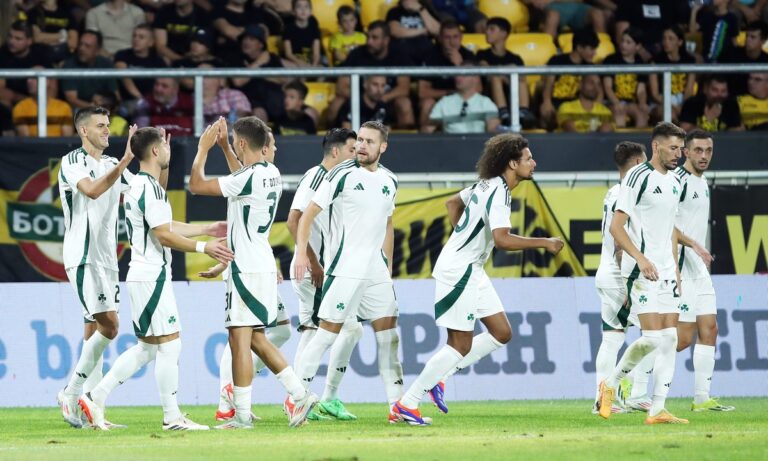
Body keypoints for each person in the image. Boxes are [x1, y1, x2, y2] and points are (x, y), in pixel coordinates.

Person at [391, 134, 564, 426]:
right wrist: (544, 242)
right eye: (528, 158)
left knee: (501, 333)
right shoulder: (499, 192)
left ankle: (439, 378)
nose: (534, 163)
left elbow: (451, 204)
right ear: (512, 163)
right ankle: (407, 403)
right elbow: (502, 239)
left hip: (471, 268)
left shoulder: (486, 184)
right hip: (460, 269)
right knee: (459, 344)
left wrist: (463, 237)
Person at [78, 127, 233, 431]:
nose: (168, 149)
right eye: (164, 145)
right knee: (170, 345)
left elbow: (164, 224)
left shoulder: (141, 184)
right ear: (155, 151)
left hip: (144, 275)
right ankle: (171, 417)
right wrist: (204, 247)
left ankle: (95, 396)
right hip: (152, 276)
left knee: (148, 348)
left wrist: (204, 229)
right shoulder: (147, 188)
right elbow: (163, 235)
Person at [189, 117, 318, 429]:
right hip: (261, 262)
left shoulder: (248, 177)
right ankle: (298, 395)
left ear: (243, 143)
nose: (233, 144)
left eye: (235, 141)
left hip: (245, 267)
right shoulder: (270, 172)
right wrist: (224, 146)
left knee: (239, 338)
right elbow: (241, 175)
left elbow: (196, 185)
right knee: (256, 338)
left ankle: (244, 415)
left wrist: (203, 149)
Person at [597, 122, 712, 424]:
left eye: (680, 148)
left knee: (670, 339)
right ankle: (610, 384)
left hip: (667, 271)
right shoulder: (638, 176)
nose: (679, 154)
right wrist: (641, 259)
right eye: (673, 148)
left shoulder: (675, 181)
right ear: (656, 146)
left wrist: (675, 268)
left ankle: (657, 409)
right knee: (651, 339)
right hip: (640, 270)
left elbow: (669, 230)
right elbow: (617, 228)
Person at [293, 121, 405, 419]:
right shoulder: (341, 174)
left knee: (389, 336)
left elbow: (388, 223)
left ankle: (398, 407)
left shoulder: (390, 180)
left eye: (369, 141)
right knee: (325, 335)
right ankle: (297, 398)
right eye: (360, 141)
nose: (361, 146)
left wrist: (387, 265)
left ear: (383, 146)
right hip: (344, 268)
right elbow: (307, 215)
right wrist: (301, 253)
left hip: (375, 271)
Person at [56, 107, 136, 428]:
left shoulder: (112, 163)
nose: (107, 130)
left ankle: (92, 411)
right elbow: (91, 190)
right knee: (110, 326)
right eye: (100, 126)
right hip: (83, 255)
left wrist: (160, 161)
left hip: (107, 260)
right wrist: (125, 161)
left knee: (94, 330)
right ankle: (72, 392)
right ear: (83, 131)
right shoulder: (72, 161)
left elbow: (144, 191)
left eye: (108, 125)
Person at [287, 128, 363, 421]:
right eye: (351, 150)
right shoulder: (318, 177)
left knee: (313, 331)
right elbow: (294, 220)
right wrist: (313, 261)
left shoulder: (336, 178)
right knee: (345, 329)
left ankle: (301, 398)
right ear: (335, 152)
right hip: (315, 269)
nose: (356, 154)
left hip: (319, 267)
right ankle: (312, 398)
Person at [674, 129, 735, 412]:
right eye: (698, 150)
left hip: (699, 268)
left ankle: (701, 398)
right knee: (682, 339)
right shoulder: (678, 181)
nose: (704, 156)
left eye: (708, 151)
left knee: (710, 329)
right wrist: (691, 248)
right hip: (682, 266)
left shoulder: (702, 180)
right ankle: (628, 378)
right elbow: (664, 224)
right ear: (686, 152)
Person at [592, 141, 649, 415]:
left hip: (607, 272)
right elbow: (618, 241)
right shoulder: (629, 192)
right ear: (638, 163)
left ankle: (605, 399)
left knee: (612, 338)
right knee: (656, 333)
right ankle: (630, 392)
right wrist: (625, 280)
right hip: (620, 274)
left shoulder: (613, 191)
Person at [331, 21, 415, 129]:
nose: (369, 42)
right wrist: (363, 99)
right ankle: (332, 135)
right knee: (337, 103)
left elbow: (404, 88)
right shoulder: (356, 54)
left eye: (374, 38)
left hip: (388, 100)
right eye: (368, 37)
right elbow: (341, 87)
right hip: (360, 100)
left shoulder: (399, 54)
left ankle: (405, 138)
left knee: (404, 103)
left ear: (386, 40)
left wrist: (383, 98)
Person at [417, 19, 475, 132]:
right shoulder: (430, 56)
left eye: (455, 37)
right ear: (440, 38)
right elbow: (422, 92)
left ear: (461, 37)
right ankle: (423, 140)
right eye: (447, 37)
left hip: (462, 99)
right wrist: (449, 93)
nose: (452, 42)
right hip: (437, 100)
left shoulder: (469, 56)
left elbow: (477, 89)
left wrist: (459, 65)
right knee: (427, 103)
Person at [475, 17, 530, 129]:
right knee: (496, 77)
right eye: (487, 29)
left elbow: (522, 78)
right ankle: (503, 112)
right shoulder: (482, 54)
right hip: (489, 95)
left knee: (520, 79)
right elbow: (486, 69)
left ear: (503, 34)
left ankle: (523, 112)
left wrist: (505, 76)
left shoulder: (515, 58)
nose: (487, 32)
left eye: (491, 29)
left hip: (511, 93)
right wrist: (506, 72)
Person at [228, 25, 290, 123]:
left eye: (251, 39)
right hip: (251, 102)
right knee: (259, 114)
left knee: (308, 112)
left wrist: (254, 73)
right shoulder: (236, 58)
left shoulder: (271, 58)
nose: (246, 42)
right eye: (244, 39)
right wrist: (258, 63)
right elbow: (238, 81)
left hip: (276, 102)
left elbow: (283, 79)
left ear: (261, 44)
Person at [540, 28, 598, 131]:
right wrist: (547, 102)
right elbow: (548, 84)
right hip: (556, 103)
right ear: (579, 48)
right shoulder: (557, 61)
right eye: (591, 49)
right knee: (546, 113)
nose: (595, 53)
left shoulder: (590, 66)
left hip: (578, 106)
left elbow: (597, 88)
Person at [428, 66, 500, 134]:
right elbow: (428, 129)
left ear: (474, 78)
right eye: (457, 74)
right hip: (450, 142)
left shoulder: (485, 102)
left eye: (463, 75)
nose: (458, 78)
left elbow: (493, 131)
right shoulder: (445, 102)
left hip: (478, 142)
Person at [602, 27, 649, 128]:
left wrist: (642, 103)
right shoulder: (611, 60)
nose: (623, 45)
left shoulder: (640, 62)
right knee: (619, 115)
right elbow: (607, 87)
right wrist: (616, 103)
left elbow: (641, 90)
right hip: (612, 101)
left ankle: (638, 138)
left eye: (628, 42)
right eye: (622, 41)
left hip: (630, 103)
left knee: (641, 115)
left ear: (637, 46)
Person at [0, 21, 54, 108]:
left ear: (29, 41)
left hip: (40, 102)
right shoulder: (2, 53)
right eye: (10, 36)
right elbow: (1, 91)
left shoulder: (41, 53)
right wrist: (26, 101)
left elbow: (52, 86)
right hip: (15, 102)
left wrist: (43, 104)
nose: (11, 41)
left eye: (18, 39)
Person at [61, 30, 119, 110]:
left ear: (97, 50)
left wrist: (104, 107)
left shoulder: (106, 65)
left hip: (103, 108)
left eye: (87, 46)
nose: (81, 48)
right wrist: (95, 109)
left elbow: (116, 96)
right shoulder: (69, 65)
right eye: (80, 44)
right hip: (79, 109)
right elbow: (72, 99)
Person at [649, 26, 696, 123]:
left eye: (670, 39)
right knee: (670, 114)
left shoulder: (689, 61)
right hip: (660, 101)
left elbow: (689, 90)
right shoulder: (655, 62)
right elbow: (655, 94)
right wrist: (672, 106)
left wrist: (682, 105)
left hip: (683, 101)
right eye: (664, 38)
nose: (666, 42)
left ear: (680, 42)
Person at [114, 24, 167, 104]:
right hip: (127, 102)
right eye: (134, 36)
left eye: (141, 37)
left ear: (151, 43)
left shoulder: (159, 61)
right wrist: (142, 100)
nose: (136, 39)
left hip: (153, 102)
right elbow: (125, 78)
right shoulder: (122, 55)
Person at [12, 68, 73, 137]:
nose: (29, 81)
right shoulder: (20, 107)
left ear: (47, 81)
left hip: (57, 144)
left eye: (34, 78)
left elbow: (66, 139)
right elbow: (25, 140)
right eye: (28, 78)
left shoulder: (63, 107)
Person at [679, 75, 744, 132]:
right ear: (705, 89)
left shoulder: (731, 105)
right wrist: (708, 119)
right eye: (715, 90)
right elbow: (685, 132)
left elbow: (737, 131)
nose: (719, 95)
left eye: (723, 91)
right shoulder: (692, 104)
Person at [386, 0, 440, 65]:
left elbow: (437, 30)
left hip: (425, 53)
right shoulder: (395, 11)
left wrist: (421, 9)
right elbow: (395, 31)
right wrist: (423, 31)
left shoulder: (426, 11)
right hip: (402, 53)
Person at [726, 21, 768, 96]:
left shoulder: (766, 61)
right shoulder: (731, 54)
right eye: (747, 36)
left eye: (753, 37)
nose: (748, 39)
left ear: (763, 41)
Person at [282, 0, 321, 67]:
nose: (303, 10)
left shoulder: (314, 29)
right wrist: (301, 64)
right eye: (299, 7)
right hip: (294, 62)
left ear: (311, 11)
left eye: (306, 7)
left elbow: (316, 54)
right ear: (293, 11)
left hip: (310, 61)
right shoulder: (288, 29)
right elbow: (288, 54)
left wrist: (313, 67)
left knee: (322, 70)